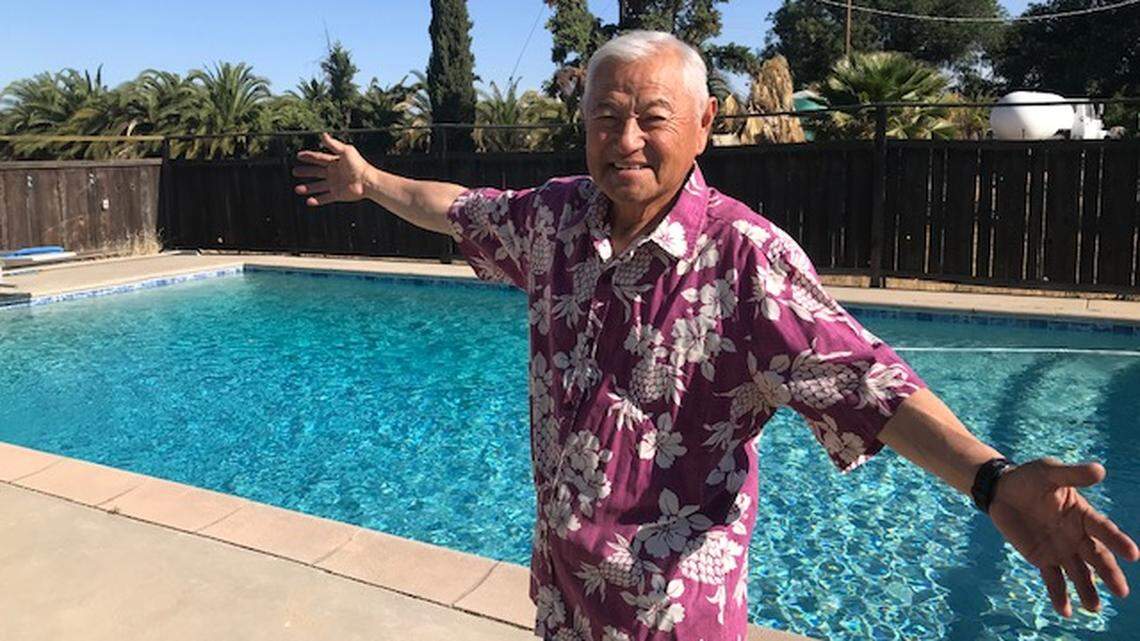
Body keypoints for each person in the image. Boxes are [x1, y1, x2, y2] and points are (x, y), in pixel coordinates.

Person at [292, 30, 1138, 641]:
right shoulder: (555, 218)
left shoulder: (745, 260)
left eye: (651, 117)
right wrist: (369, 180)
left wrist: (988, 479)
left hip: (669, 618)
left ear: (704, 123)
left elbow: (867, 381)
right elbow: (458, 210)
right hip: (563, 594)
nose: (624, 139)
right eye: (603, 116)